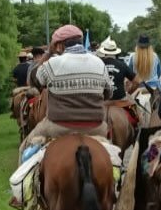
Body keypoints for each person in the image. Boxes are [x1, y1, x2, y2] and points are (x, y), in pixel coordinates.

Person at [20, 23, 112, 151]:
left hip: (58, 127)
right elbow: (108, 94)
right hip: (96, 127)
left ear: (60, 45)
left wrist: (49, 53)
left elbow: (33, 80)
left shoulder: (52, 63)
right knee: (113, 156)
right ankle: (119, 170)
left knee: (24, 147)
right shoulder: (99, 63)